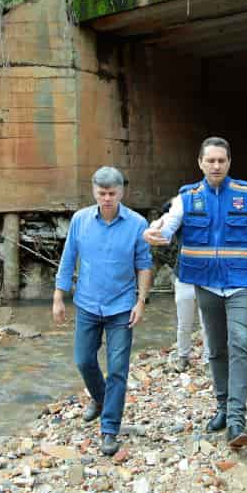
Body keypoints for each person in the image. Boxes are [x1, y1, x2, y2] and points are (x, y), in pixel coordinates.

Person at [145, 137, 247, 448]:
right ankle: (222, 407)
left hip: (241, 282)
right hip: (205, 283)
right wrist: (155, 235)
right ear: (200, 163)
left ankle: (237, 418)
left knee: (240, 342)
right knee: (215, 348)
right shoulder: (187, 197)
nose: (216, 165)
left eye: (221, 160)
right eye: (210, 160)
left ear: (229, 163)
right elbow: (167, 227)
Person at [53, 166, 153, 456]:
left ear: (121, 192)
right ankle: (99, 398)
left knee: (118, 370)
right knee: (84, 361)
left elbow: (144, 264)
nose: (107, 199)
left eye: (111, 193)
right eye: (101, 193)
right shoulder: (80, 220)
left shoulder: (137, 223)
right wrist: (59, 297)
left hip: (122, 307)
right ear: (94, 192)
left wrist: (141, 301)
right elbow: (68, 258)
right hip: (87, 303)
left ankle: (109, 429)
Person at [156, 197, 210, 373]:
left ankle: (209, 360)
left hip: (206, 277)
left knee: (207, 322)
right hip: (184, 276)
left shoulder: (207, 218)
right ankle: (183, 357)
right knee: (184, 322)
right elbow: (163, 221)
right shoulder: (176, 221)